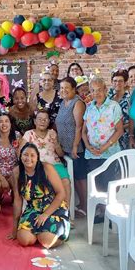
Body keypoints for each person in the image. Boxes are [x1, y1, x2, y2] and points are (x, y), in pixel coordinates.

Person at [8, 143, 70, 249]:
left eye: (32, 155)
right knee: (24, 240)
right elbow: (17, 200)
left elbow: (61, 193)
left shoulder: (47, 168)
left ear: (37, 157)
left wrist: (45, 215)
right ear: (20, 156)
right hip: (33, 208)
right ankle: (40, 232)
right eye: (25, 155)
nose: (29, 158)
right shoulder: (16, 172)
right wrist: (15, 227)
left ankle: (58, 230)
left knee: (46, 242)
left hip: (53, 207)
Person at [21, 110, 71, 209]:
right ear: (35, 121)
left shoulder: (52, 133)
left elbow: (60, 153)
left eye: (45, 119)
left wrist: (56, 142)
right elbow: (21, 152)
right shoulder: (28, 134)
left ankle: (66, 211)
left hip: (55, 164)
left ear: (48, 122)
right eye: (40, 119)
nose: (42, 122)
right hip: (36, 166)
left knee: (65, 181)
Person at [82, 78, 123, 193]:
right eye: (93, 90)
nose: (96, 93)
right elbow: (84, 131)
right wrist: (87, 145)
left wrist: (104, 148)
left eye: (99, 90)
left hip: (109, 154)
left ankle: (108, 210)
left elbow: (119, 131)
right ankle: (99, 209)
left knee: (108, 184)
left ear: (105, 90)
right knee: (96, 185)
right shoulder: (89, 107)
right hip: (92, 154)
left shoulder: (114, 106)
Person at [55, 77, 87, 217]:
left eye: (67, 88)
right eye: (61, 88)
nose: (63, 90)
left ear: (74, 89)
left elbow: (79, 127)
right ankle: (78, 204)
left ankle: (85, 206)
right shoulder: (63, 102)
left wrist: (75, 146)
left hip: (76, 147)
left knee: (80, 177)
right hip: (64, 147)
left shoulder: (77, 103)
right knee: (71, 177)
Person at [0, 113, 21, 197]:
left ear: (10, 124)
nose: (4, 124)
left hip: (14, 173)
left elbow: (21, 157)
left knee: (19, 179)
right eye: (1, 122)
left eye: (6, 121)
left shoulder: (17, 136)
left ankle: (15, 194)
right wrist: (2, 179)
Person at [108, 69, 131, 150]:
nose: (117, 83)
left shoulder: (130, 99)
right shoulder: (108, 98)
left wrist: (119, 128)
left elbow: (133, 120)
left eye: (120, 81)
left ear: (125, 83)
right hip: (110, 136)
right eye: (115, 81)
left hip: (125, 136)